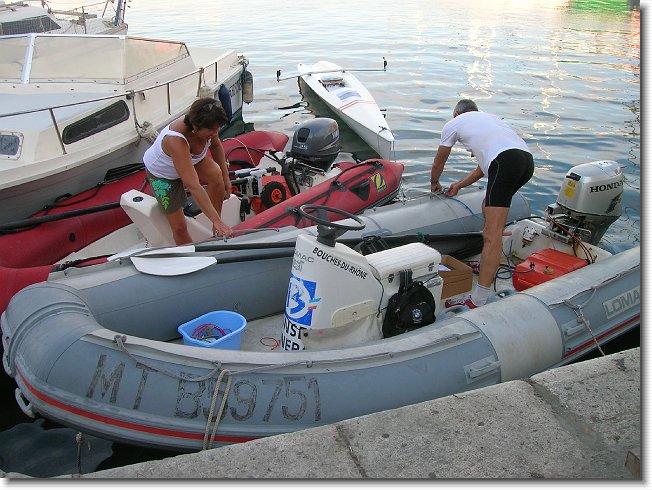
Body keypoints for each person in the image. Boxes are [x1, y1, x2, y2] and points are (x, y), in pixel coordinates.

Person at [430, 99, 534, 309]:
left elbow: (439, 160)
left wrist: (434, 182)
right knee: (488, 205)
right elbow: (483, 168)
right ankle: (488, 260)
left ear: (456, 114)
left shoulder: (455, 123)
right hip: (525, 161)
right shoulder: (490, 119)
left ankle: (478, 299)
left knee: (491, 234)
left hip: (504, 163)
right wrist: (459, 185)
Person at [143, 97, 233, 245]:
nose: (215, 132)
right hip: (163, 174)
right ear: (195, 127)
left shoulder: (210, 126)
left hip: (191, 160)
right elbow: (192, 185)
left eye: (217, 128)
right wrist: (217, 220)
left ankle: (216, 230)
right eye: (211, 130)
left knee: (216, 174)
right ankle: (191, 256)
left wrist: (226, 178)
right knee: (179, 228)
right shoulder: (175, 140)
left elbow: (216, 147)